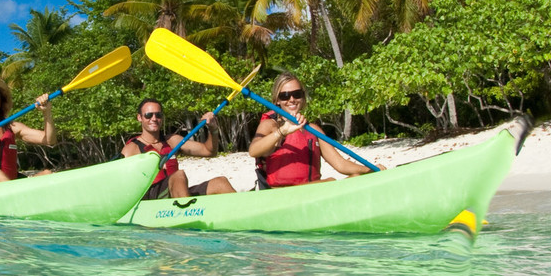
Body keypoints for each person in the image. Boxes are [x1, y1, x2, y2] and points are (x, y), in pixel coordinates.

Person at [248, 72, 382, 188]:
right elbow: (253, 151)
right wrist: (282, 131)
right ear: (277, 100)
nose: (292, 99)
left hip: (313, 192)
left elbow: (340, 164)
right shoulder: (270, 125)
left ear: (303, 97)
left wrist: (370, 170)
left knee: (356, 177)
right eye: (285, 96)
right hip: (282, 194)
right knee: (330, 182)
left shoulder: (313, 129)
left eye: (297, 94)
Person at [121, 97, 235, 200]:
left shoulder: (172, 141)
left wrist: (213, 130)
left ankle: (246, 215)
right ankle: (187, 217)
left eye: (158, 115)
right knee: (178, 176)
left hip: (177, 191)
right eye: (148, 115)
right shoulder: (131, 149)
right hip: (152, 199)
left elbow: (209, 151)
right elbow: (121, 183)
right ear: (139, 118)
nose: (154, 118)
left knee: (221, 183)